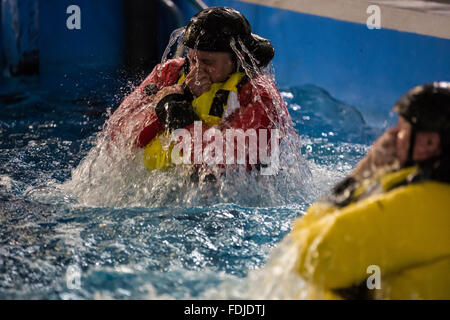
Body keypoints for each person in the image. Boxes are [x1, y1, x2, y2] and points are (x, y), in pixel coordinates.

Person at [290, 82, 450, 299]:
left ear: (429, 143)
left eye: (402, 129)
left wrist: (360, 175)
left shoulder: (415, 206)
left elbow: (310, 258)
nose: (391, 135)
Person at [105, 7, 292, 179]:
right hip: (162, 185)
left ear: (238, 58)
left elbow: (225, 164)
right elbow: (118, 136)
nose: (196, 71)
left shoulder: (261, 97)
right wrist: (178, 96)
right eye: (193, 59)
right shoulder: (170, 74)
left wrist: (178, 115)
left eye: (208, 63)